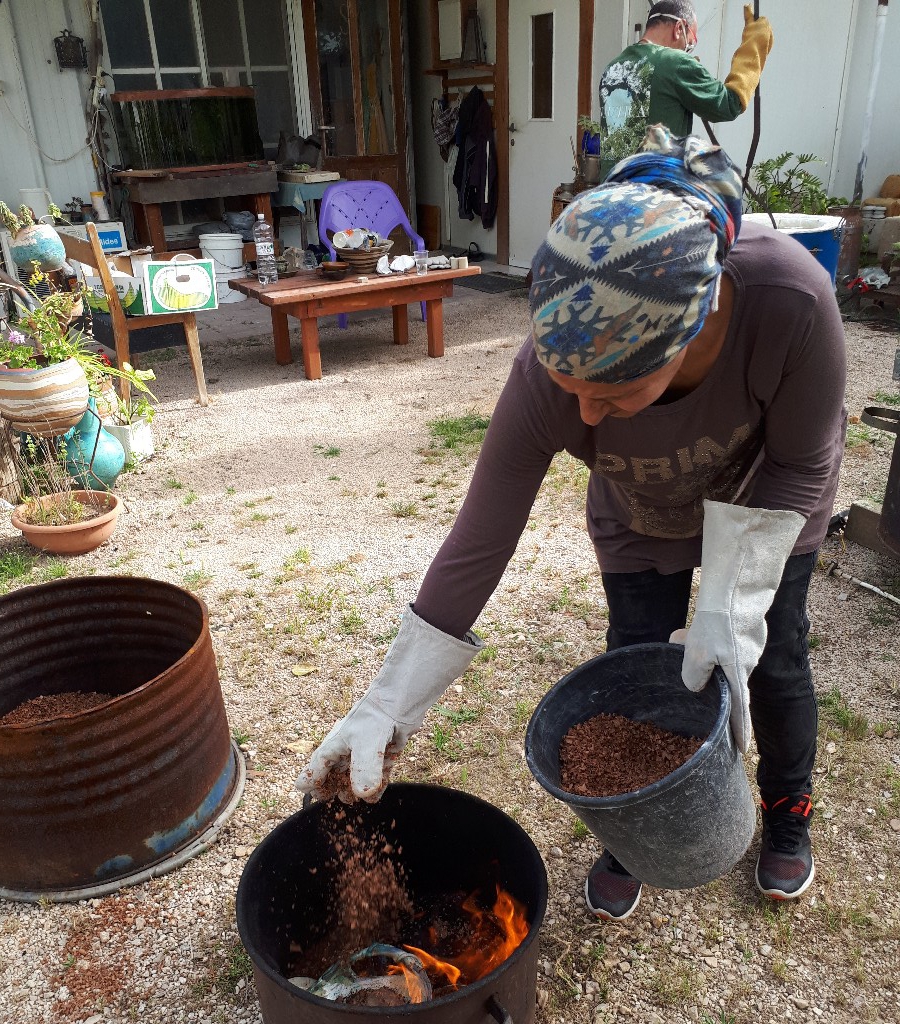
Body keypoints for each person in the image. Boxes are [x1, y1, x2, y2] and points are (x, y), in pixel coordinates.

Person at [299, 126, 846, 922]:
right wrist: (390, 702)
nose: (585, 415)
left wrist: (731, 604)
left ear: (687, 332)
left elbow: (800, 464)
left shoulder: (791, 308)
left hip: (767, 505)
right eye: (570, 389)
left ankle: (788, 806)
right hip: (640, 516)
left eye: (612, 395)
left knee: (773, 660)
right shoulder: (548, 378)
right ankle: (635, 823)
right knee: (635, 666)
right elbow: (481, 535)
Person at [598, 1, 774, 162]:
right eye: (690, 43)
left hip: (612, 185)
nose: (687, 51)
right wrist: (755, 43)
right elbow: (729, 104)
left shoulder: (613, 67)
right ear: (678, 28)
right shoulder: (675, 62)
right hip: (653, 189)